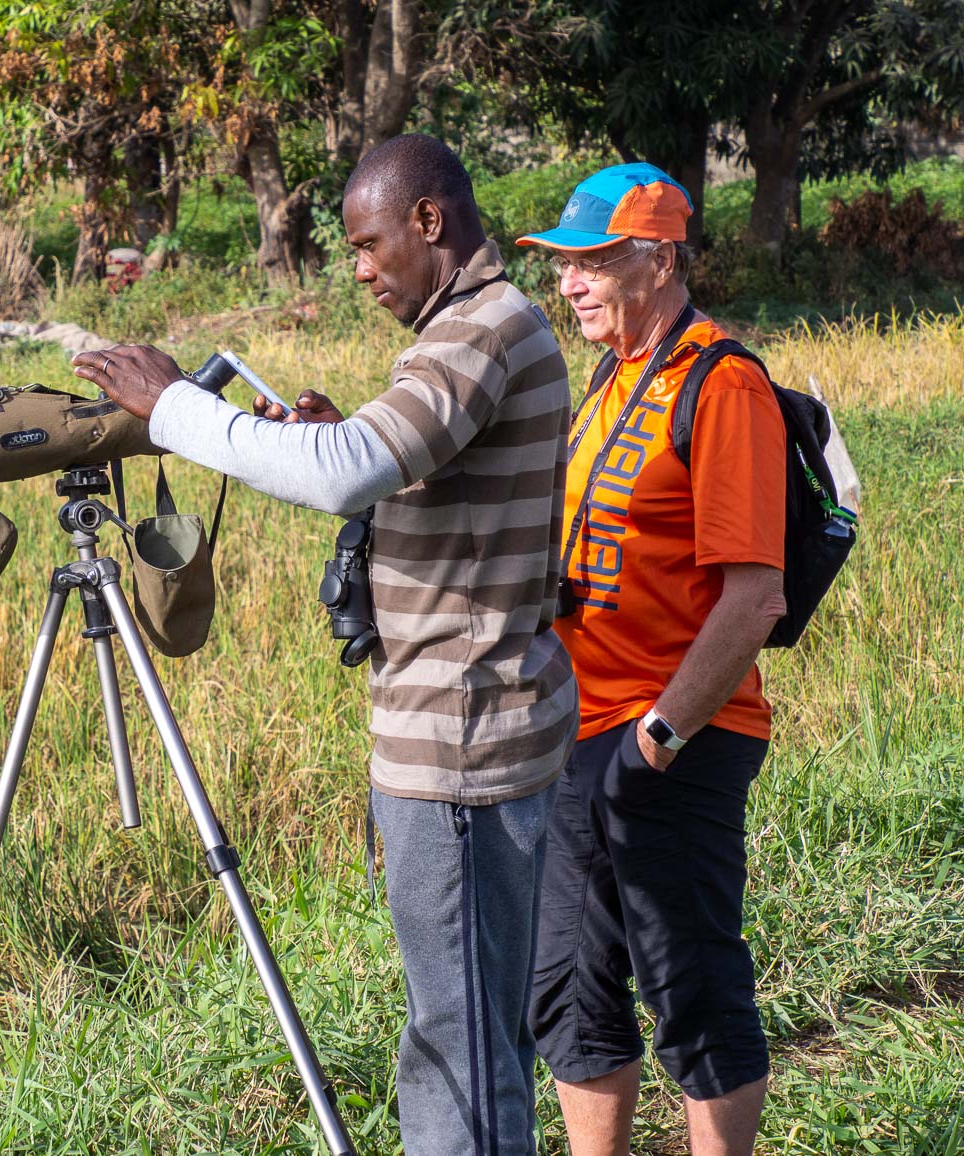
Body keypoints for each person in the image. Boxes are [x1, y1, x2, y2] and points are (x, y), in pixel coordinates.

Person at [72, 134, 578, 1156]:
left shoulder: (478, 329)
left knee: (459, 1050)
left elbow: (344, 471)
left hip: (461, 746)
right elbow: (420, 478)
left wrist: (174, 409)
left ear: (428, 221)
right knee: (474, 1032)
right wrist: (333, 433)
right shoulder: (481, 326)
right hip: (473, 728)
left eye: (365, 244)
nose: (357, 269)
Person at [515, 163, 787, 1155]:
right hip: (574, 735)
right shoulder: (610, 375)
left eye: (592, 262)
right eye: (562, 265)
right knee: (571, 989)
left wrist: (657, 740)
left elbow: (754, 595)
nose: (570, 283)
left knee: (694, 990)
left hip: (674, 735)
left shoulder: (723, 383)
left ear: (660, 259)